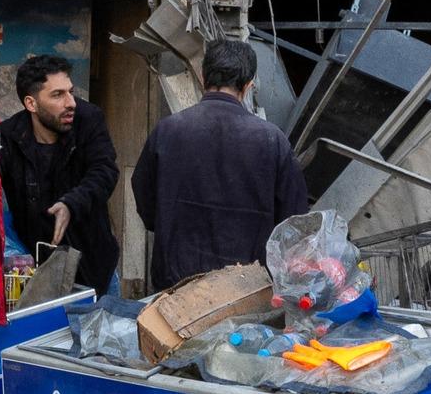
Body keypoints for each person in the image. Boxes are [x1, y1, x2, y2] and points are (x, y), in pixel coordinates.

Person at [132, 38, 309, 288]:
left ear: (203, 78)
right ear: (248, 86)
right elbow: (293, 221)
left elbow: (145, 203)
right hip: (247, 290)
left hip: (175, 287)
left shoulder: (168, 130)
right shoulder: (272, 140)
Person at [0, 54, 121, 293]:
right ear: (31, 104)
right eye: (57, 95)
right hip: (39, 273)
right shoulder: (7, 137)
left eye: (70, 91)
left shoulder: (89, 119)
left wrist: (71, 204)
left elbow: (104, 171)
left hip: (95, 264)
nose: (70, 102)